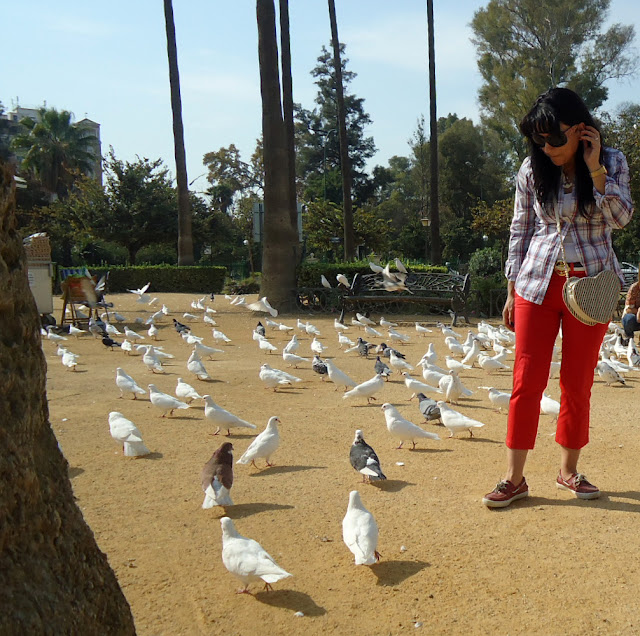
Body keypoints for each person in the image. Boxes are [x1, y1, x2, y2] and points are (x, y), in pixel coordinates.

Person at [483, 87, 634, 508]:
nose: (547, 148)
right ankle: (514, 479)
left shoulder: (613, 161)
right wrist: (512, 290)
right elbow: (520, 230)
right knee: (525, 380)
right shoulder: (532, 170)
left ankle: (568, 471)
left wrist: (596, 170)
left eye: (555, 139)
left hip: (592, 286)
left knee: (577, 381)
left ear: (581, 129)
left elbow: (621, 219)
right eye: (539, 140)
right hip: (537, 283)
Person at [622, 269, 640, 341]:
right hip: (634, 316)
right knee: (629, 319)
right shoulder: (634, 288)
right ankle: (629, 339)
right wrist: (638, 311)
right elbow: (629, 309)